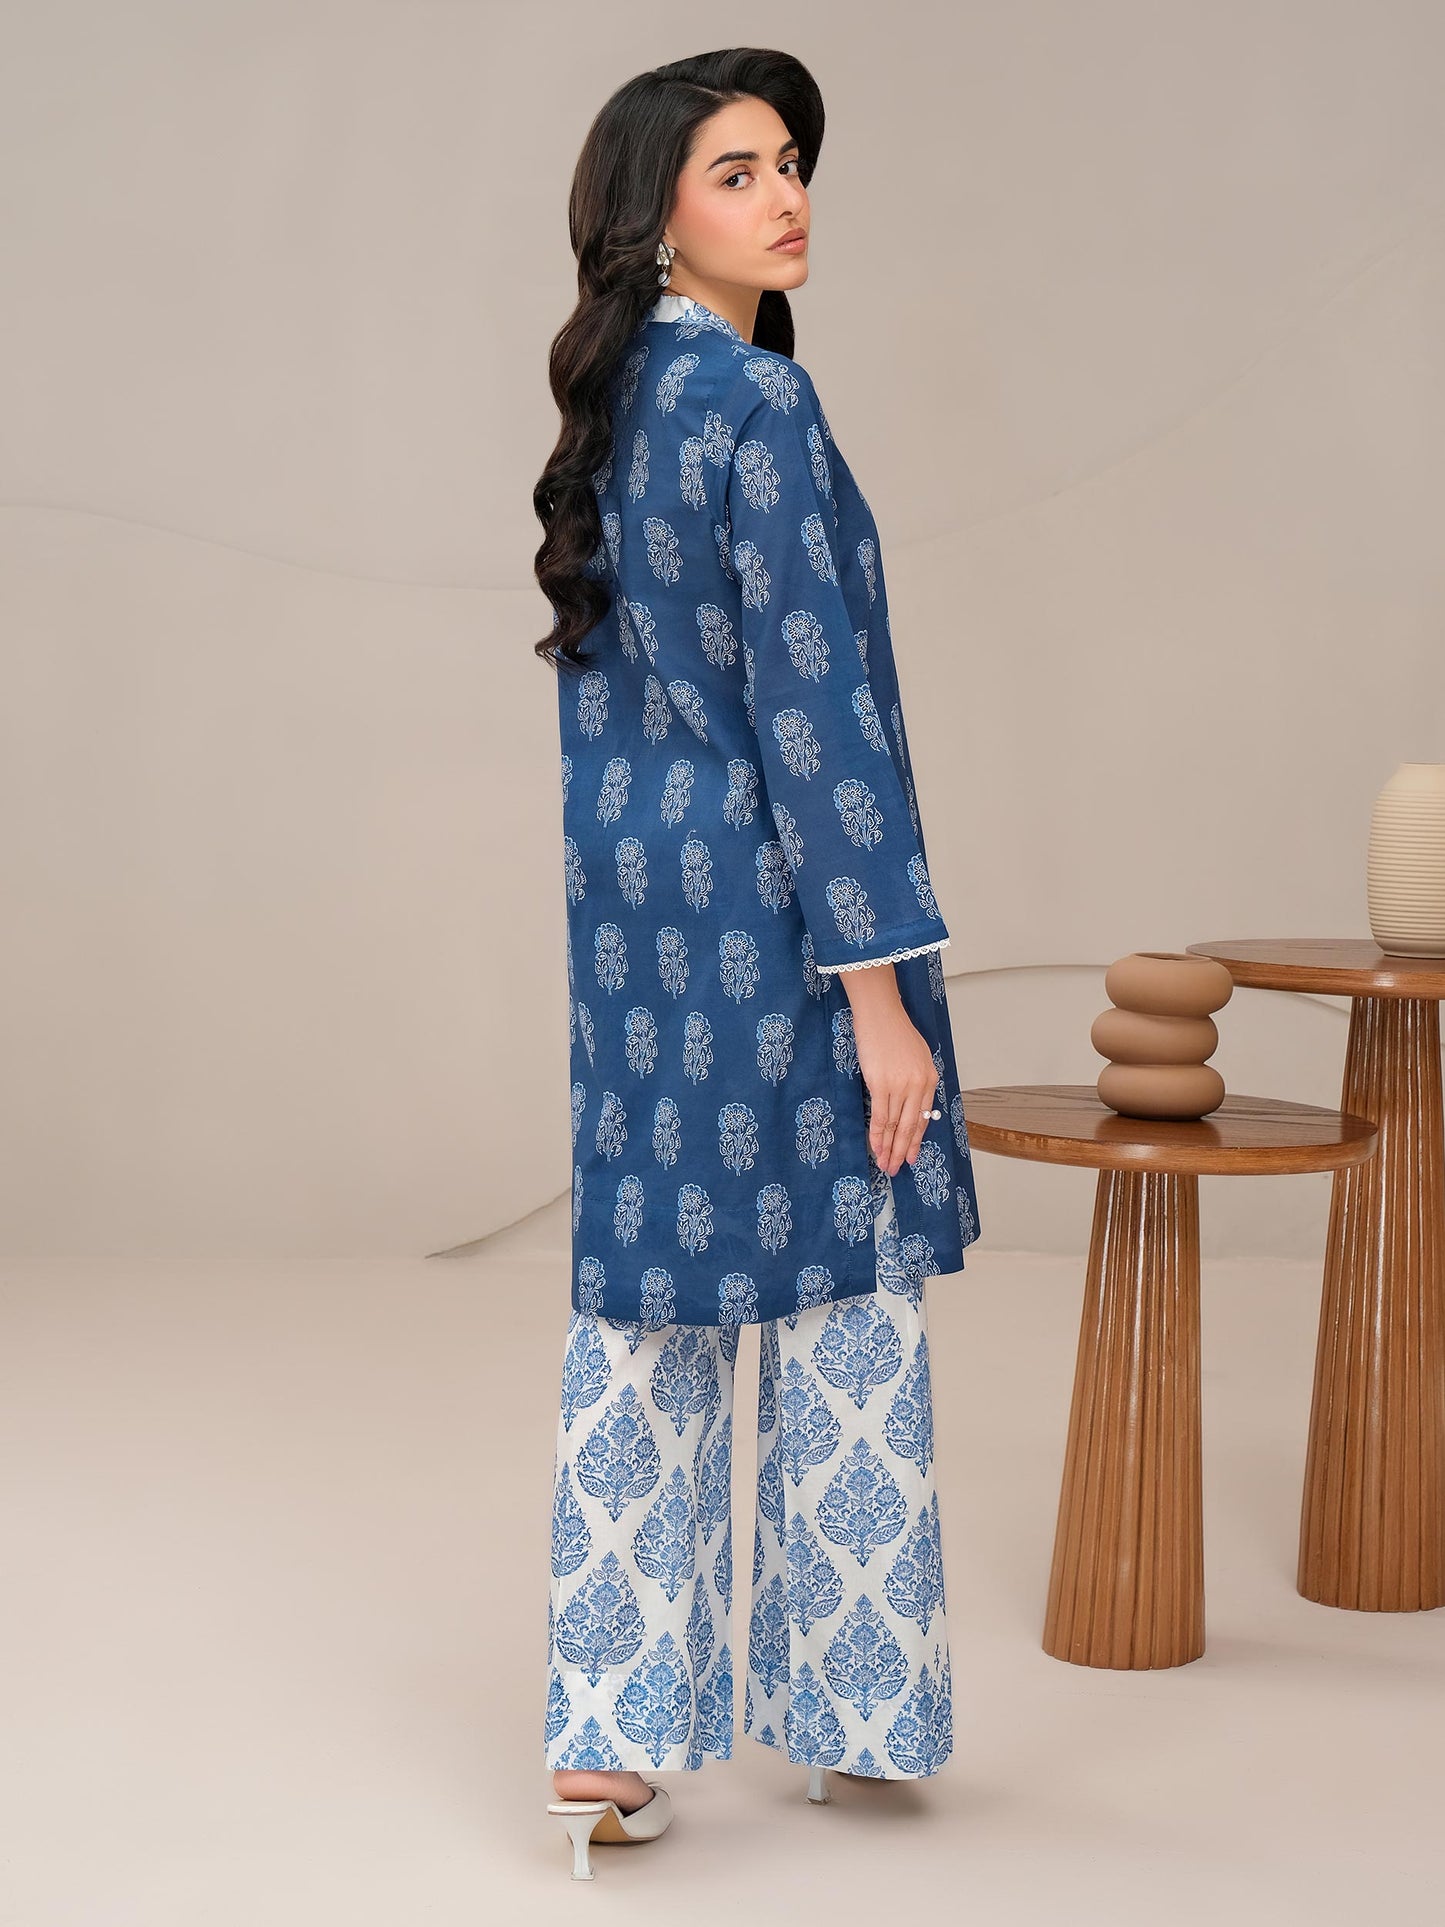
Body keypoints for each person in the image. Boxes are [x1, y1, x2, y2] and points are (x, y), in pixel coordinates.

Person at [530, 48, 982, 1880]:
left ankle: (606, 1740)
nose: (784, 197)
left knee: (646, 1305)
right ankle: (854, 1712)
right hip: (784, 925)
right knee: (842, 1291)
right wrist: (879, 1003)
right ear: (653, 214)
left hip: (637, 933)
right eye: (735, 172)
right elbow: (818, 714)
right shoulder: (758, 406)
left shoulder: (615, 402)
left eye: (788, 162)